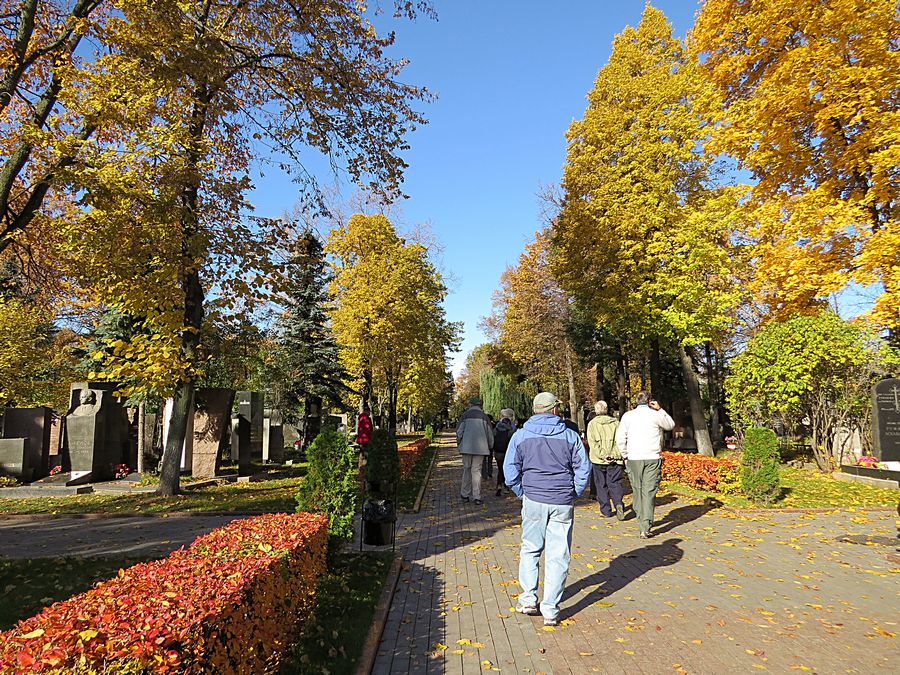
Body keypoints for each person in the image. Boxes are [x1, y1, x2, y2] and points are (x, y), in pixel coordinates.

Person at [504, 392, 590, 627]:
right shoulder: (570, 436)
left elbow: (510, 470)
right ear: (554, 410)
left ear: (535, 410)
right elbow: (583, 467)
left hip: (533, 499)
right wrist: (575, 492)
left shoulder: (520, 436)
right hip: (562, 501)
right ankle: (551, 609)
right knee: (558, 555)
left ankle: (529, 600)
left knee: (530, 549)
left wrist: (522, 492)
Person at [615, 391, 674, 539]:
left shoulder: (628, 416)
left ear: (636, 401)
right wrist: (660, 409)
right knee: (649, 492)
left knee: (637, 489)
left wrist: (625, 455)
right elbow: (670, 425)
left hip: (634, 458)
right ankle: (645, 525)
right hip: (652, 458)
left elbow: (620, 437)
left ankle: (641, 518)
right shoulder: (655, 415)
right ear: (649, 401)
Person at [586, 400, 625, 519]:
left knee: (600, 485)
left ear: (596, 410)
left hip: (598, 460)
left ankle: (606, 510)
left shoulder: (592, 424)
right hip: (615, 460)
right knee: (615, 482)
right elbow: (621, 441)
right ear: (607, 409)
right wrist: (613, 454)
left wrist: (603, 455)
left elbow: (592, 444)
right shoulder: (616, 423)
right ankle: (618, 503)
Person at [456, 396, 493, 504]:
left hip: (466, 447)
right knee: (476, 471)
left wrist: (459, 443)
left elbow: (459, 432)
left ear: (470, 405)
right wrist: (490, 446)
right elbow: (489, 433)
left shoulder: (465, 415)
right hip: (481, 449)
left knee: (466, 469)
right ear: (480, 405)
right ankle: (476, 496)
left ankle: (465, 494)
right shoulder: (484, 417)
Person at [492, 408, 516, 496]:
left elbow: (492, 438)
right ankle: (505, 486)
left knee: (500, 469)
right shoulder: (512, 428)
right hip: (507, 452)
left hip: (498, 452)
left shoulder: (497, 427)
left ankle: (498, 485)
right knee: (506, 469)